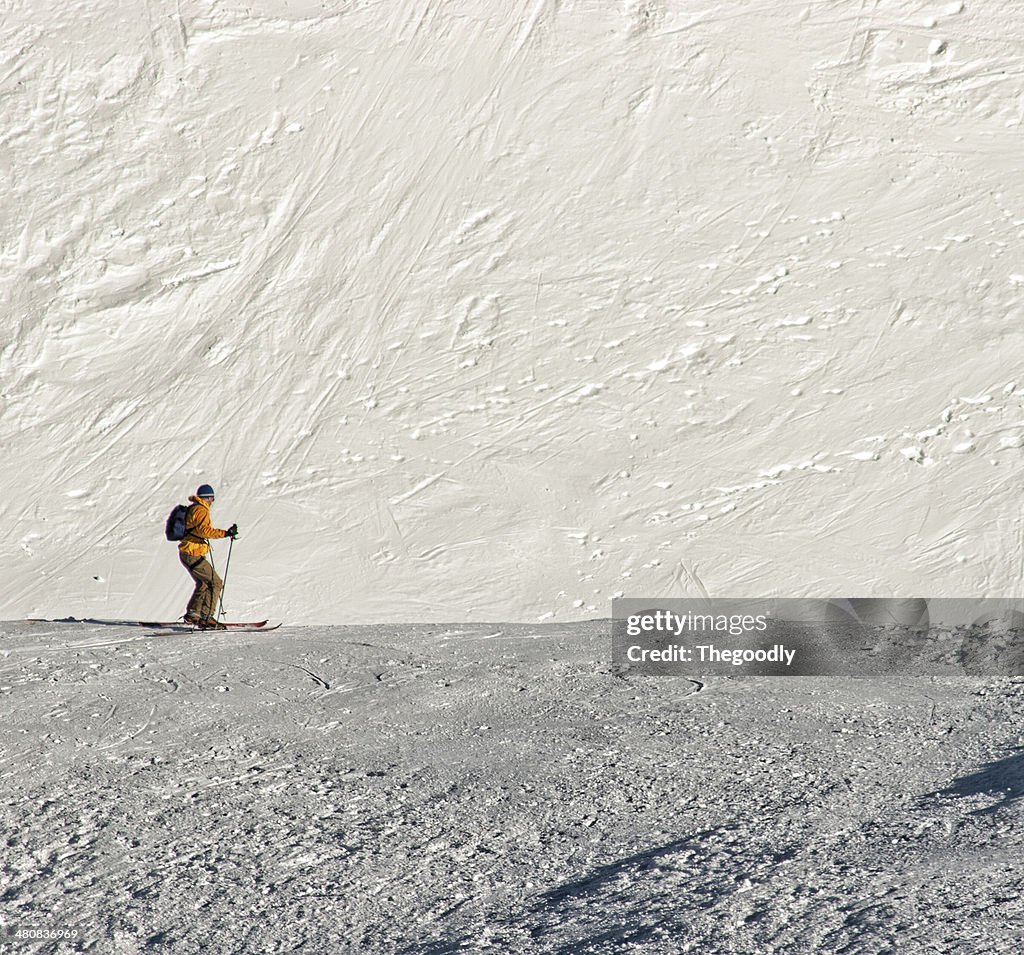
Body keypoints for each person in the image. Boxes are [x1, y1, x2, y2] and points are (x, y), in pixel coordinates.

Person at [179, 484, 237, 629]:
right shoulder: (200, 509)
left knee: (204, 583)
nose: (212, 501)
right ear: (208, 497)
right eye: (212, 498)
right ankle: (207, 617)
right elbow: (204, 531)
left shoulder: (195, 508)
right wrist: (226, 533)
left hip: (189, 552)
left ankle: (194, 614)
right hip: (192, 552)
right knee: (215, 582)